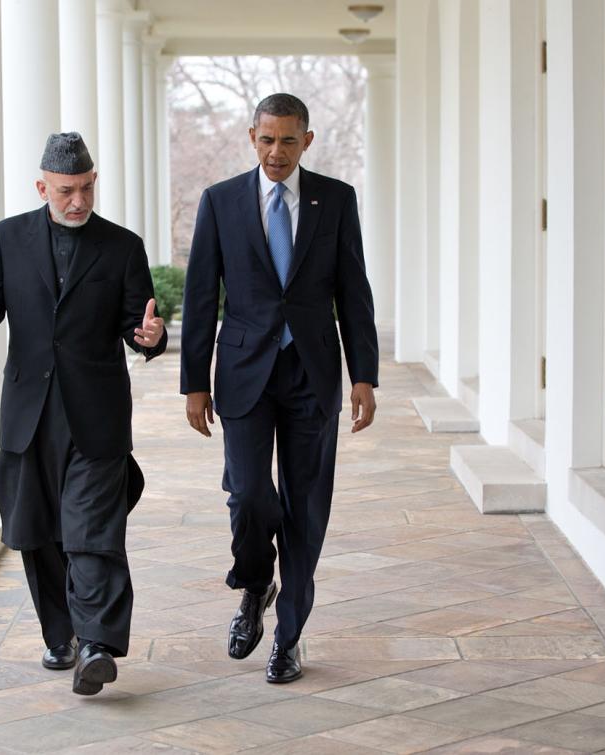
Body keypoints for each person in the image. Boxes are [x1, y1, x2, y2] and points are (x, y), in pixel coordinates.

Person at [0, 132, 166, 695]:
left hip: (96, 415)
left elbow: (138, 323)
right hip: (29, 415)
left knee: (92, 530)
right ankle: (61, 634)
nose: (79, 201)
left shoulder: (122, 246)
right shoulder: (7, 238)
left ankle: (97, 643)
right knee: (39, 532)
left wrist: (150, 337)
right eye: (67, 191)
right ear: (42, 186)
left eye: (87, 189)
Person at [180, 93, 378, 684]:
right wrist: (194, 383)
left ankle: (289, 635)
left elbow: (354, 291)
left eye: (288, 141)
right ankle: (255, 582)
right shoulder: (220, 202)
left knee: (306, 508)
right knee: (247, 495)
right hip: (243, 374)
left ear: (307, 141)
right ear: (252, 136)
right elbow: (198, 297)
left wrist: (363, 374)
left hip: (311, 373)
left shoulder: (335, 200)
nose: (276, 151)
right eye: (267, 140)